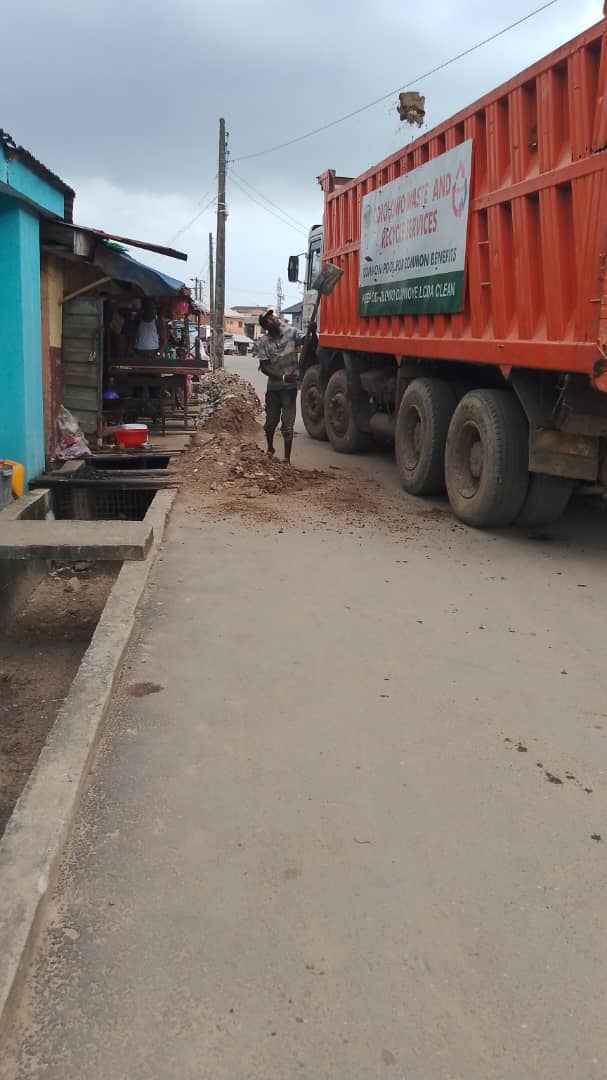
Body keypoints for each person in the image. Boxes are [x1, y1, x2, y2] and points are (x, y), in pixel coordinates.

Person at [257, 309, 316, 464]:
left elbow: (309, 344)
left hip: (289, 389)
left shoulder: (291, 332)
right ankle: (270, 448)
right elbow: (264, 367)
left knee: (288, 427)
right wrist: (283, 377)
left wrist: (312, 332)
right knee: (270, 424)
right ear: (266, 326)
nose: (274, 319)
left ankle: (286, 460)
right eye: (269, 319)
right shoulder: (263, 342)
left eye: (273, 316)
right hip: (274, 389)